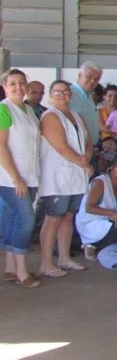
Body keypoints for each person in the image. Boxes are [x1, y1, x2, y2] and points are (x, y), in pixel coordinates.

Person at [38, 79, 93, 277]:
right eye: (58, 91)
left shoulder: (77, 116)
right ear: (51, 95)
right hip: (58, 176)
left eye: (66, 91)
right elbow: (60, 147)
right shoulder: (50, 116)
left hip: (76, 175)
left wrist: (86, 156)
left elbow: (87, 141)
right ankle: (46, 262)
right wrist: (84, 163)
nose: (63, 95)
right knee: (53, 218)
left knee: (68, 217)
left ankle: (64, 258)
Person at [0, 69, 42, 288]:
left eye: (22, 83)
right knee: (25, 220)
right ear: (5, 86)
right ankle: (22, 272)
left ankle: (9, 267)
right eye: (13, 83)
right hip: (11, 178)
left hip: (30, 174)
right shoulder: (3, 109)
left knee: (11, 218)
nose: (18, 87)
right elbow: (1, 146)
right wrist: (16, 178)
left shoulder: (28, 110)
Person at [76, 154, 117, 261]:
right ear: (112, 166)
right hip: (90, 221)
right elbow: (89, 208)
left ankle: (100, 246)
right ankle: (90, 244)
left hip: (106, 220)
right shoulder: (100, 182)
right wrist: (114, 214)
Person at [68, 61, 103, 147]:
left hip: (91, 148)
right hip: (75, 149)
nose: (92, 81)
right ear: (80, 75)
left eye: (96, 79)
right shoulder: (68, 94)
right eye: (88, 77)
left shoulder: (89, 96)